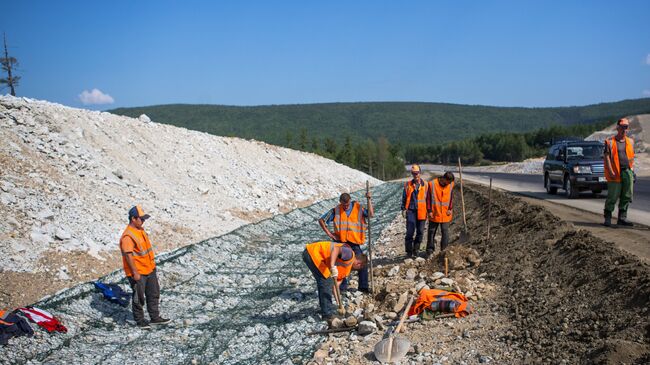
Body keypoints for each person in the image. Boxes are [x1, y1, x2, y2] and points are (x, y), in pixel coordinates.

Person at [119, 205, 170, 329]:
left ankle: (155, 317)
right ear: (133, 218)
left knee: (153, 293)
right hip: (139, 272)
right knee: (139, 297)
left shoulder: (140, 230)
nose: (143, 221)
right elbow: (128, 255)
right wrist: (135, 273)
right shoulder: (128, 236)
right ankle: (140, 320)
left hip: (149, 268)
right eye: (141, 219)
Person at [318, 192, 374, 292]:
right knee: (341, 265)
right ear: (340, 202)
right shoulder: (336, 210)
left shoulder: (358, 208)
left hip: (354, 242)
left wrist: (369, 199)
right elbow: (322, 220)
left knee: (361, 263)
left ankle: (363, 287)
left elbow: (370, 214)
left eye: (347, 204)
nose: (346, 207)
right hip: (341, 243)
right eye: (344, 205)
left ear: (350, 201)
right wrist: (330, 234)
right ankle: (342, 288)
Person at [302, 241, 367, 322]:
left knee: (326, 282)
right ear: (359, 264)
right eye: (359, 268)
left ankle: (325, 309)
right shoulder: (349, 254)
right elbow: (336, 249)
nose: (356, 270)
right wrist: (332, 266)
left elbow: (335, 287)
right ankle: (327, 315)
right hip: (313, 253)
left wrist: (339, 304)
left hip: (314, 256)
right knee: (326, 281)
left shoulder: (346, 269)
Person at [603, 118, 635, 227]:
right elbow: (607, 157)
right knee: (612, 196)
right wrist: (611, 171)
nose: (624, 129)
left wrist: (632, 171)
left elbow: (631, 158)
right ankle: (607, 218)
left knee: (627, 195)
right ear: (617, 127)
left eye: (626, 127)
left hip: (627, 172)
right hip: (615, 173)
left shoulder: (630, 141)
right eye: (622, 127)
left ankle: (622, 218)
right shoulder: (610, 142)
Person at [401, 164, 431, 257]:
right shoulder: (407, 185)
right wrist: (403, 209)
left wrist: (429, 210)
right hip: (411, 211)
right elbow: (404, 198)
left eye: (417, 173)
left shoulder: (425, 185)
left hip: (422, 211)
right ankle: (409, 252)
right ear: (412, 174)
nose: (415, 175)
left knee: (420, 232)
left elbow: (429, 199)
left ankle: (416, 249)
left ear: (420, 173)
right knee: (410, 231)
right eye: (414, 173)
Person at [426, 171, 455, 257]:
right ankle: (430, 251)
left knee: (445, 231)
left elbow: (451, 197)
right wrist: (429, 210)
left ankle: (444, 251)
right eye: (448, 182)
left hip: (446, 213)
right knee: (431, 231)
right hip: (435, 212)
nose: (449, 184)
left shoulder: (450, 184)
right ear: (444, 179)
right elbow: (428, 199)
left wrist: (450, 208)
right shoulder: (432, 184)